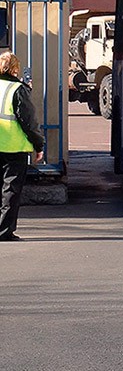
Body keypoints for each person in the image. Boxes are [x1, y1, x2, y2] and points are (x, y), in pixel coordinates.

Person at [0, 51, 46, 242]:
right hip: (13, 148)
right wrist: (38, 144)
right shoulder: (17, 89)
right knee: (10, 190)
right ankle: (3, 231)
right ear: (15, 68)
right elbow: (28, 121)